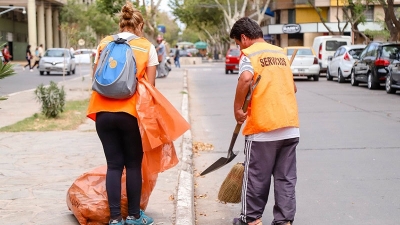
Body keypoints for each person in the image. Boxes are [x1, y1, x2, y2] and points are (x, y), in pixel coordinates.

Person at [86, 1, 158, 225]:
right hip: (130, 113)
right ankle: (134, 216)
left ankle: (116, 218)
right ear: (140, 25)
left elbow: (95, 77)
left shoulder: (105, 43)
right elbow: (150, 89)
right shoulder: (146, 47)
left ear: (120, 24)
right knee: (133, 164)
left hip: (102, 113)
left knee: (114, 165)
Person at [230, 17, 300, 225]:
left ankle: (251, 220)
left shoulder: (249, 54)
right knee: (285, 179)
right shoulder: (280, 54)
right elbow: (293, 88)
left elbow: (245, 79)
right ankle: (284, 221)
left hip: (263, 129)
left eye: (237, 43)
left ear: (244, 38)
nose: (238, 47)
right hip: (289, 126)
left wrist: (237, 109)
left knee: (256, 177)